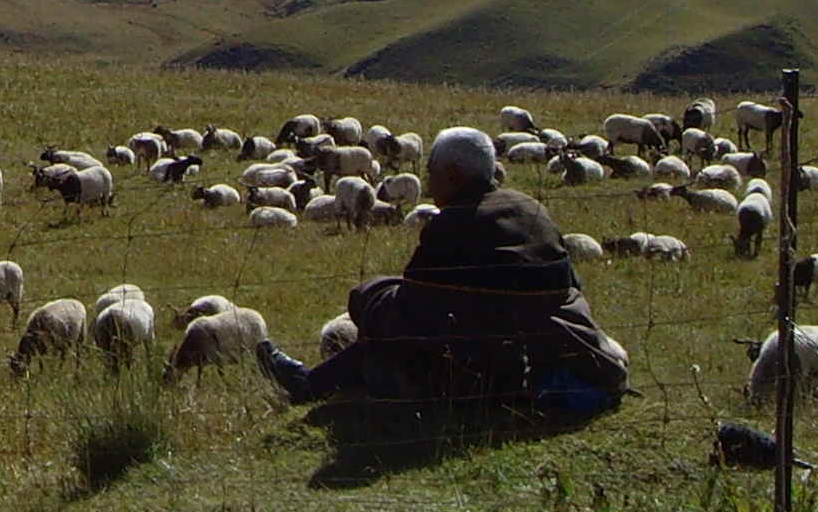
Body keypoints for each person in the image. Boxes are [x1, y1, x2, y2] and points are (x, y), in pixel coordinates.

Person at [257, 126, 631, 415]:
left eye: (432, 172)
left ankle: (311, 383)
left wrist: (370, 299)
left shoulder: (455, 222)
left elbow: (414, 303)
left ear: (452, 176)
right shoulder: (531, 208)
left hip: (492, 359)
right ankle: (316, 380)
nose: (430, 181)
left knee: (376, 303)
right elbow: (570, 284)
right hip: (555, 343)